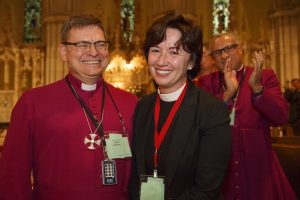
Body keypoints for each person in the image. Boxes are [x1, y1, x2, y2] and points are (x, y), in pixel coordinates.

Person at [0, 15, 137, 200]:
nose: (94, 52)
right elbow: (12, 176)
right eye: (82, 45)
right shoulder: (32, 102)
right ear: (63, 52)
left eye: (100, 44)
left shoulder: (131, 103)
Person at [129, 12, 231, 200]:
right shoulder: (142, 107)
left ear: (191, 62)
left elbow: (207, 190)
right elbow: (135, 174)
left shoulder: (212, 111)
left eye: (174, 52)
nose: (161, 61)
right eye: (155, 50)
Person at [198, 32, 297, 200]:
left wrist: (258, 89)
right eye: (217, 52)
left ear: (240, 50)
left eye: (228, 48)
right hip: (222, 172)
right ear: (213, 58)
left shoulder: (265, 76)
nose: (223, 55)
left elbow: (281, 117)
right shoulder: (206, 83)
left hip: (258, 168)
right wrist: (227, 94)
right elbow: (199, 123)